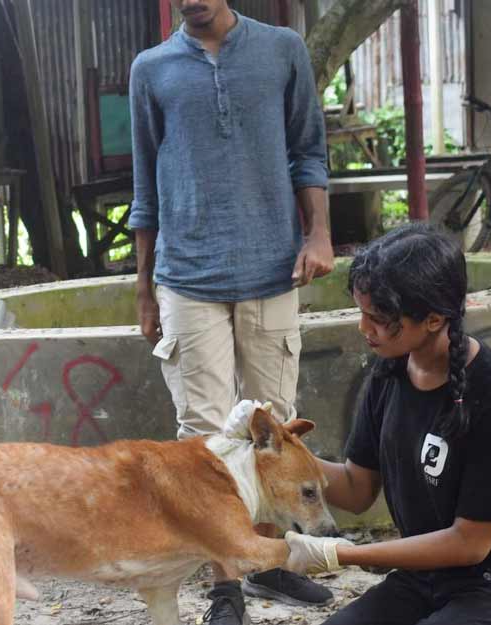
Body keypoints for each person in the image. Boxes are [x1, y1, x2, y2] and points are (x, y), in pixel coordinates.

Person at [128, 0, 334, 621]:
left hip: (273, 270)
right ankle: (226, 586)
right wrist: (143, 289)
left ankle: (272, 564)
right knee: (204, 442)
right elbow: (145, 186)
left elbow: (309, 151)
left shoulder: (281, 51)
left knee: (279, 430)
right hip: (187, 277)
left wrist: (319, 233)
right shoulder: (152, 68)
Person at [282, 223, 491, 625]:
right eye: (361, 312)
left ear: (434, 319)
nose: (364, 328)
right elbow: (357, 487)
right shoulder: (388, 374)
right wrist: (283, 456)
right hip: (427, 581)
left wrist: (340, 553)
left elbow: (469, 543)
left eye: (379, 318)